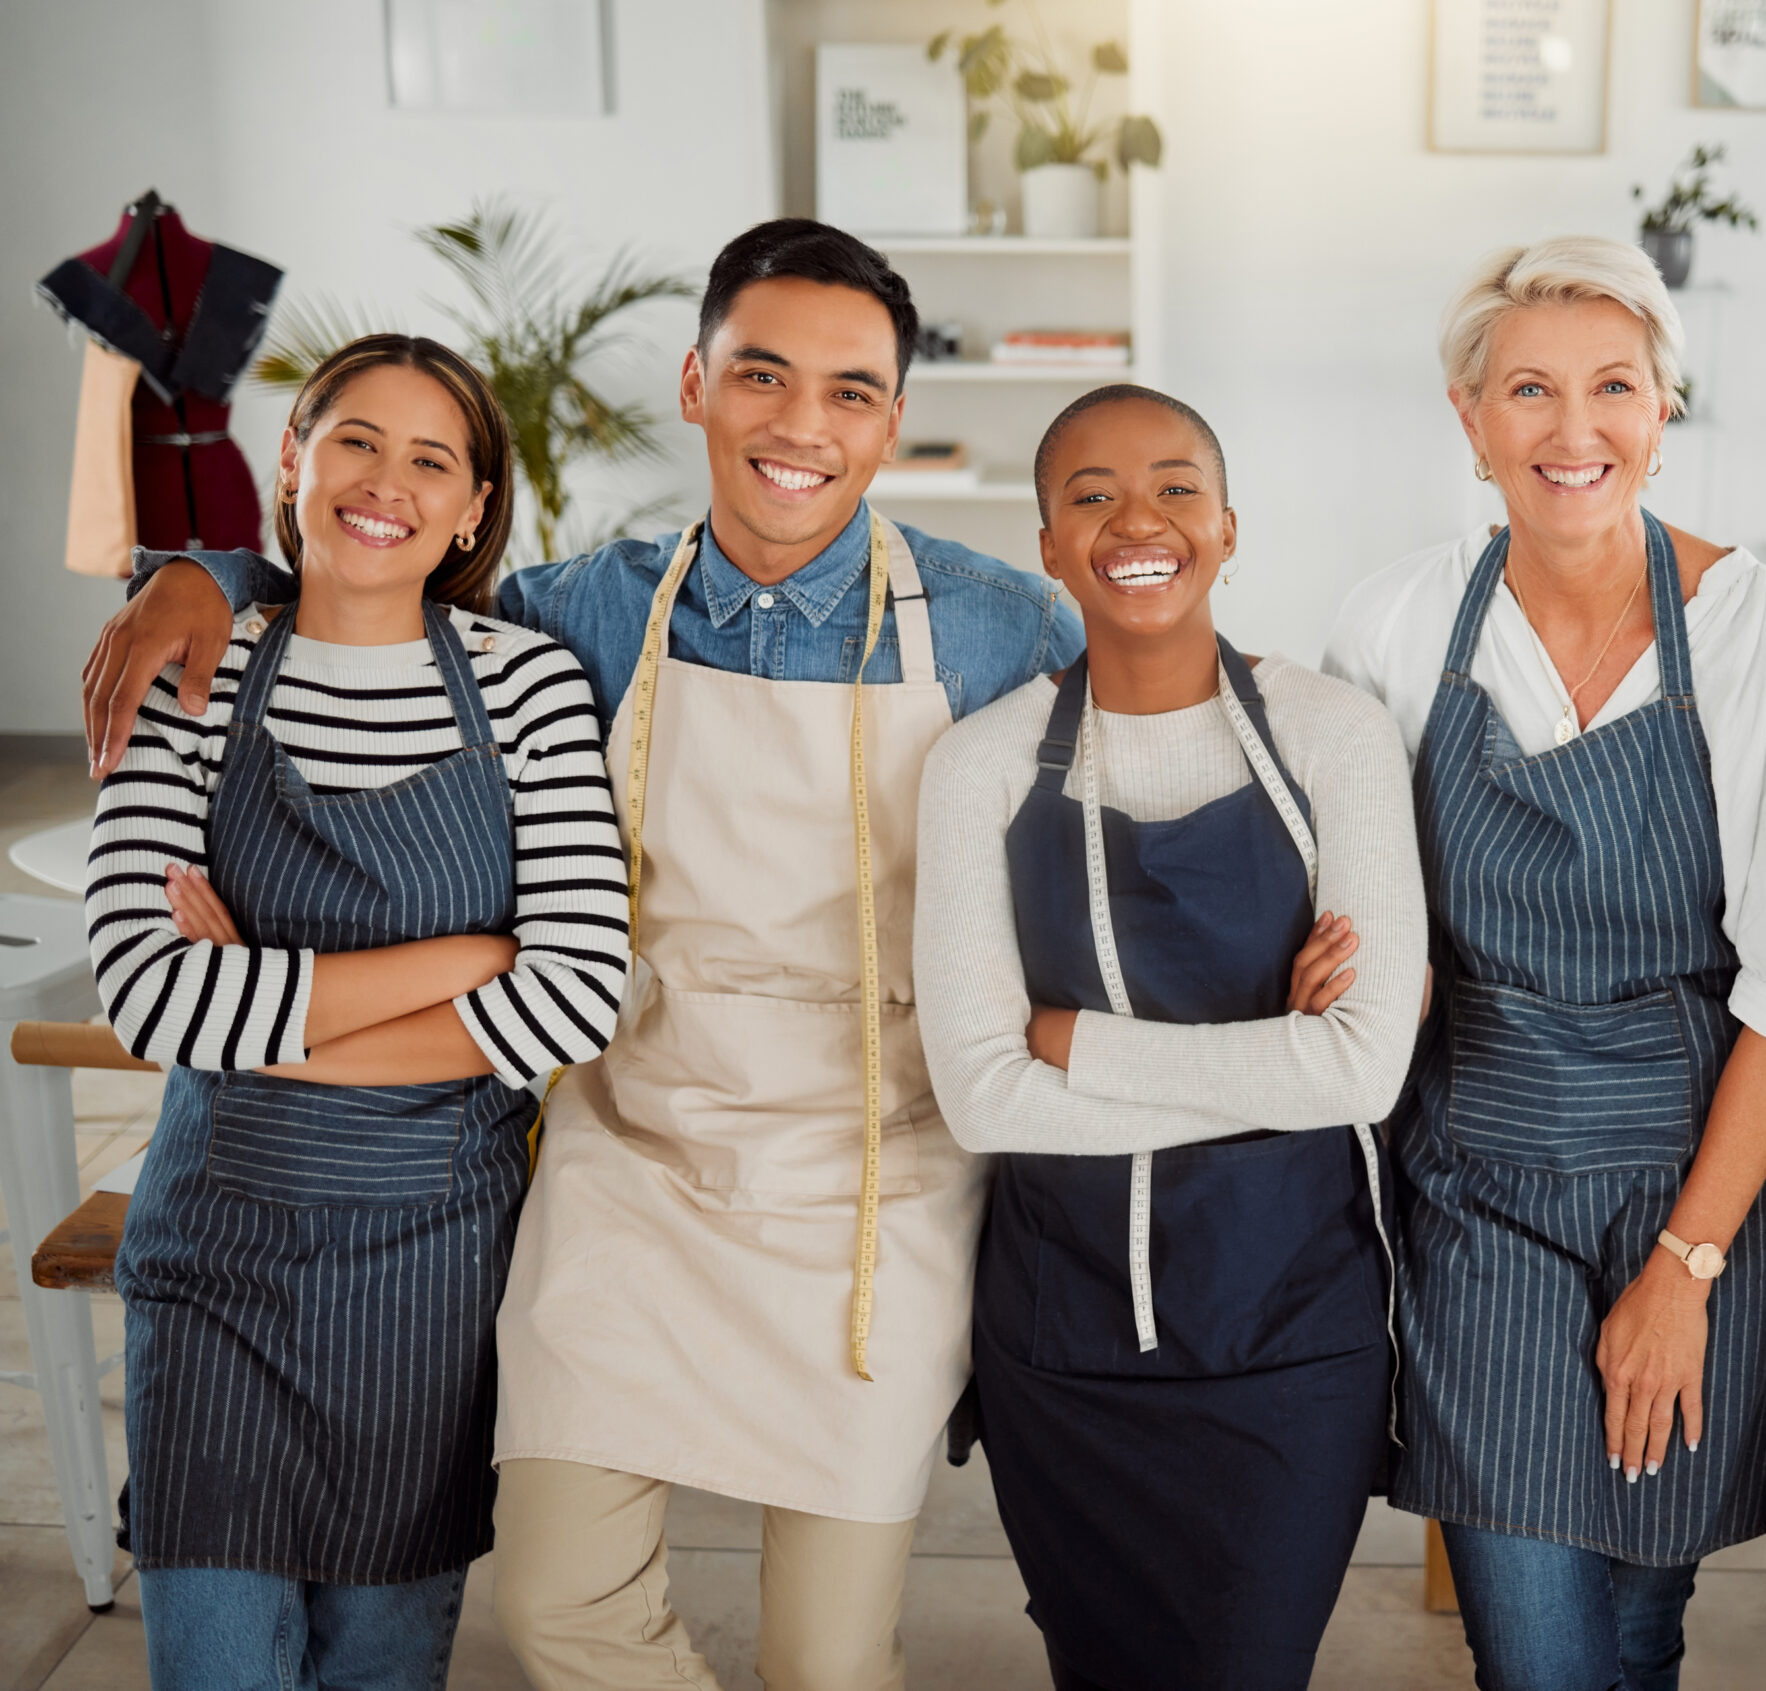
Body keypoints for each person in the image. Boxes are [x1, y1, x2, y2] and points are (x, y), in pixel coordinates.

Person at [81, 222, 1083, 1691]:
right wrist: (203, 573)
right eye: (761, 374)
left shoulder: (1004, 628)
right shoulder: (578, 618)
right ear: (694, 383)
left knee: (824, 1663)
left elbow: (1126, 797)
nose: (801, 425)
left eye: (851, 391)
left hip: (876, 1180)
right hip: (635, 1158)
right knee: (555, 1608)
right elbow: (366, 578)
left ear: (895, 418)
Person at [1323, 237, 1766, 1691]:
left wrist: (1685, 1270)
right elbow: (1385, 929)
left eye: (1615, 386)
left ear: (1664, 410)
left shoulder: (1755, 633)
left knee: (1634, 1626)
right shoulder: (1397, 626)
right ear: (1469, 417)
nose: (1574, 429)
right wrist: (1340, 977)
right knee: (1538, 1655)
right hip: (1474, 1169)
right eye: (1530, 390)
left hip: (1698, 1168)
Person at [85, 334, 629, 1688]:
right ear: (294, 460)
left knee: (381, 1663)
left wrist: (259, 1019)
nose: (387, 483)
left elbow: (577, 996)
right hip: (216, 1249)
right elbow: (151, 997)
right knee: (213, 1663)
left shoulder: (528, 688)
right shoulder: (190, 673)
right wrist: (461, 955)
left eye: (431, 461)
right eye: (356, 443)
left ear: (473, 510)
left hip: (430, 1268)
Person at [913, 385, 1424, 1691]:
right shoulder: (981, 765)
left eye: (1175, 487)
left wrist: (1069, 1041)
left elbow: (1366, 1067)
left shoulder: (1333, 738)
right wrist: (1275, 1068)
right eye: (1091, 494)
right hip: (1060, 1340)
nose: (1137, 518)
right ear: (1046, 544)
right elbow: (979, 1100)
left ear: (1230, 526)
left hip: (1292, 1329)